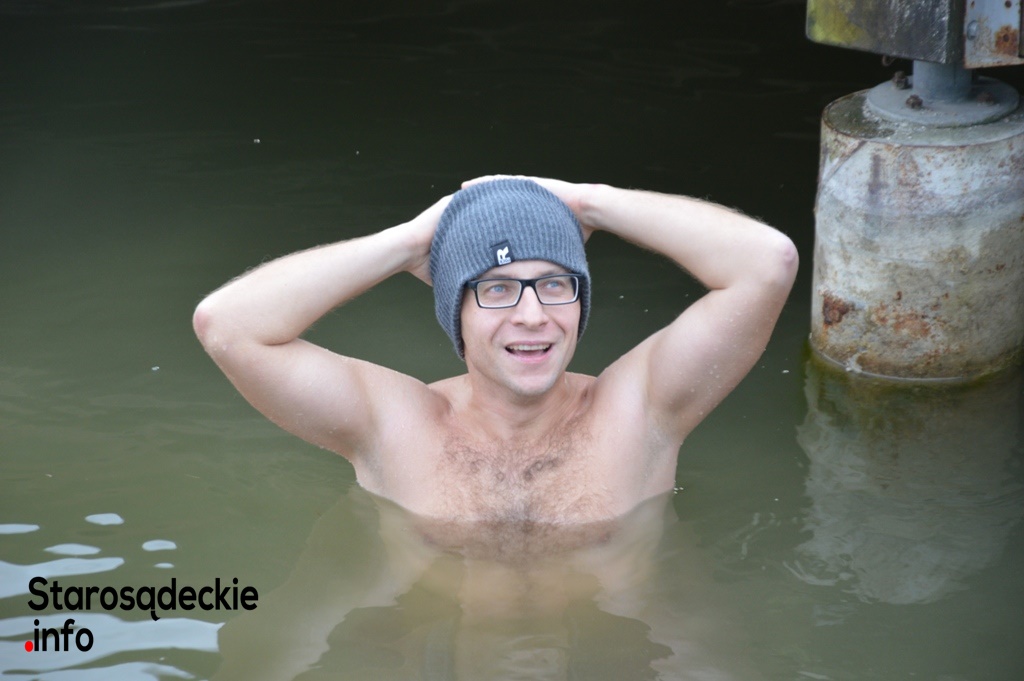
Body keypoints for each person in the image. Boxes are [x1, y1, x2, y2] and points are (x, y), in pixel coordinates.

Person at [193, 176, 798, 525]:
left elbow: (767, 264)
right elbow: (227, 326)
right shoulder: (393, 426)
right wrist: (408, 243)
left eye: (555, 285)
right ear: (453, 308)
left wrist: (585, 202)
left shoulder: (639, 413)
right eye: (497, 289)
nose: (532, 316)